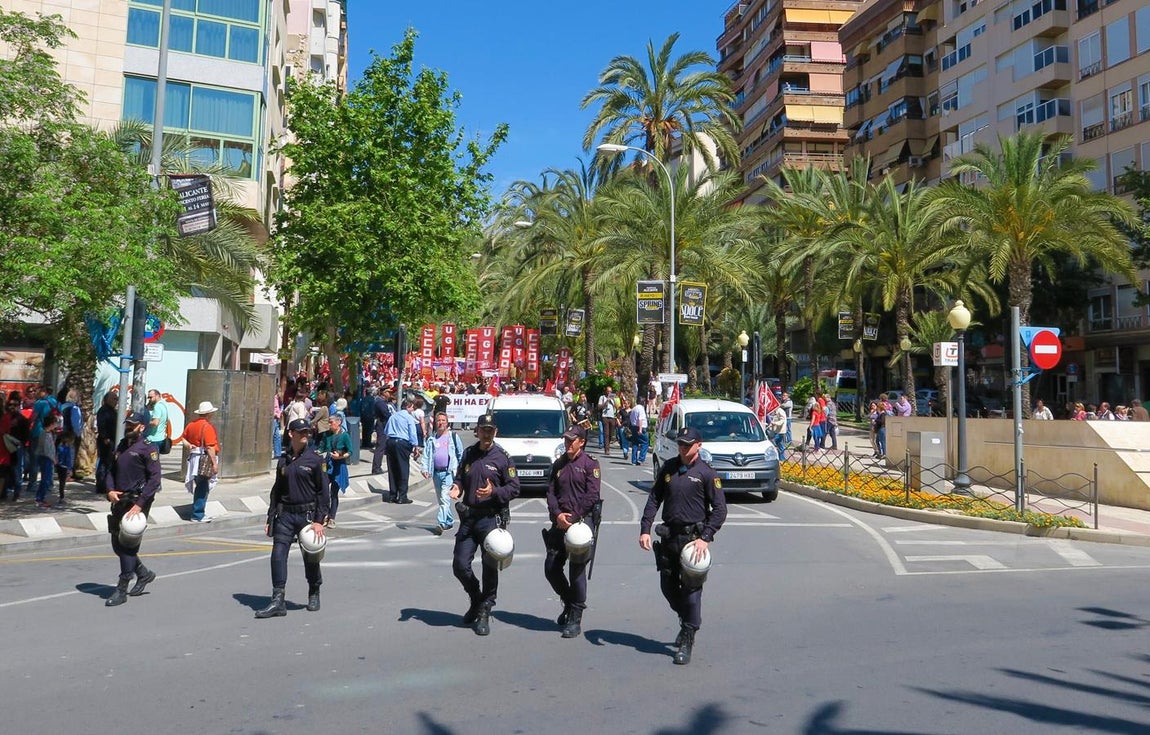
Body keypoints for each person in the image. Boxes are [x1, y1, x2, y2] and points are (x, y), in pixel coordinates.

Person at [639, 426, 727, 665]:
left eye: (688, 444)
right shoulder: (669, 468)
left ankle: (688, 635)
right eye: (680, 443)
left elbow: (720, 509)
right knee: (668, 587)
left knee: (691, 593)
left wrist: (706, 537)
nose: (683, 447)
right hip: (669, 538)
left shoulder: (707, 473)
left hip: (693, 542)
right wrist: (645, 528)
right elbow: (654, 498)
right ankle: (686, 618)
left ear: (699, 445)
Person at [448, 413, 520, 636]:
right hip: (469, 518)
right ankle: (476, 598)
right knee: (460, 565)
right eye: (483, 430)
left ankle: (484, 612)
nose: (486, 434)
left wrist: (494, 491)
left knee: (489, 569)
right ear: (477, 431)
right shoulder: (469, 453)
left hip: (491, 519)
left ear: (495, 432)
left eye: (490, 430)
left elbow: (514, 488)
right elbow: (460, 476)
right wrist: (457, 487)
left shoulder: (502, 457)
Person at [255, 418, 330, 618]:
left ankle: (314, 590)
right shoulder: (283, 460)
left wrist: (319, 519)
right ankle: (278, 600)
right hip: (286, 514)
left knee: (311, 558)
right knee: (278, 555)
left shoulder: (315, 460)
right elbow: (277, 491)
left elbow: (323, 492)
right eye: (301, 432)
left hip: (307, 516)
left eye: (307, 432)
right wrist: (271, 517)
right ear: (291, 434)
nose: (305, 435)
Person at [543, 424, 601, 639]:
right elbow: (550, 492)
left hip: (580, 524)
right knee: (551, 568)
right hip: (560, 521)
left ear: (581, 442)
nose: (567, 444)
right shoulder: (559, 463)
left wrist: (574, 517)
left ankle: (575, 616)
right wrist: (558, 514)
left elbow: (592, 495)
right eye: (566, 440)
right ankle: (569, 602)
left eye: (571, 440)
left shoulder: (590, 465)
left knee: (576, 571)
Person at [104, 411, 162, 607]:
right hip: (118, 500)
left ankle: (121, 589)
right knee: (117, 544)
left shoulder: (148, 449)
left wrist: (140, 504)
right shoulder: (122, 445)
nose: (129, 427)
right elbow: (110, 470)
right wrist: (110, 490)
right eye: (127, 424)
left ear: (142, 427)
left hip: (137, 502)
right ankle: (143, 574)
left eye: (133, 425)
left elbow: (155, 480)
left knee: (128, 545)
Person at [422, 411, 464, 535]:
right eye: (438, 420)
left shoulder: (453, 437)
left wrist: (461, 472)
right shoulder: (432, 439)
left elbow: (461, 455)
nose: (440, 423)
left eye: (443, 421)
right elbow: (426, 455)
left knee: (445, 498)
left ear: (447, 423)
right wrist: (425, 469)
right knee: (441, 500)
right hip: (436, 473)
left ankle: (440, 523)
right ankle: (449, 521)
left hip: (448, 473)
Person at [182, 401, 220, 523]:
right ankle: (198, 514)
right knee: (203, 487)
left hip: (195, 458)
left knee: (200, 485)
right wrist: (214, 464)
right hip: (204, 460)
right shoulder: (207, 427)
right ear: (209, 414)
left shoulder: (191, 425)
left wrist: (189, 445)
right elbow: (210, 447)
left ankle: (198, 512)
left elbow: (183, 438)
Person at [384, 396, 421, 504]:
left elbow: (386, 431)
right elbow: (412, 433)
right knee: (403, 469)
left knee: (392, 469)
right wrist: (416, 446)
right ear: (409, 406)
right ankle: (402, 496)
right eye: (412, 407)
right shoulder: (408, 417)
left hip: (391, 442)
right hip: (402, 443)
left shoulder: (393, 416)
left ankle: (392, 495)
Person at [321, 414, 352, 527]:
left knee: (334, 492)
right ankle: (324, 514)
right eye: (329, 422)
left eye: (331, 422)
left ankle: (332, 517)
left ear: (338, 422)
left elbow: (350, 451)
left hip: (339, 466)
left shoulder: (344, 436)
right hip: (328, 465)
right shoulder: (327, 435)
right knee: (323, 491)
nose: (329, 424)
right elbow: (322, 447)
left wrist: (340, 456)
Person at [95, 391, 118, 494]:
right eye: (114, 399)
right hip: (106, 441)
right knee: (104, 463)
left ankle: (107, 484)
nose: (116, 401)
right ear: (107, 399)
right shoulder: (104, 411)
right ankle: (101, 485)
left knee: (109, 463)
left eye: (117, 399)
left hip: (112, 440)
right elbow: (101, 425)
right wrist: (105, 438)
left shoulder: (113, 411)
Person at [34, 412, 58, 508]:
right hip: (45, 458)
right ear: (51, 424)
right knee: (46, 480)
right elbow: (47, 450)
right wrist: (53, 459)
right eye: (55, 423)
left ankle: (40, 497)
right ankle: (40, 498)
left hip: (47, 458)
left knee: (46, 479)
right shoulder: (45, 434)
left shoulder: (48, 434)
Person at [371, 388, 396, 475]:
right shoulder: (380, 402)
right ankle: (376, 468)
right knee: (380, 447)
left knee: (383, 446)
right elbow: (386, 414)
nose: (390, 394)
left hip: (383, 425)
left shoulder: (383, 401)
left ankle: (378, 466)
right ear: (384, 393)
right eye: (388, 392)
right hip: (381, 425)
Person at [630, 397, 649, 466]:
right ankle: (641, 459)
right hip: (640, 428)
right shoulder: (641, 409)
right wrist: (640, 429)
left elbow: (631, 418)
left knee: (635, 443)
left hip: (634, 427)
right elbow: (640, 419)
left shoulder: (634, 408)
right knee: (645, 443)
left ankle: (633, 460)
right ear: (643, 402)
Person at [597, 387, 617, 455]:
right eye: (608, 391)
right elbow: (599, 407)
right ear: (605, 391)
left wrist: (613, 400)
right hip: (605, 416)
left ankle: (608, 444)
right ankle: (607, 449)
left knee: (611, 433)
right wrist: (606, 401)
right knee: (606, 433)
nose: (609, 392)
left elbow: (617, 407)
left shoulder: (612, 399)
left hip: (612, 417)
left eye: (610, 391)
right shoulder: (602, 397)